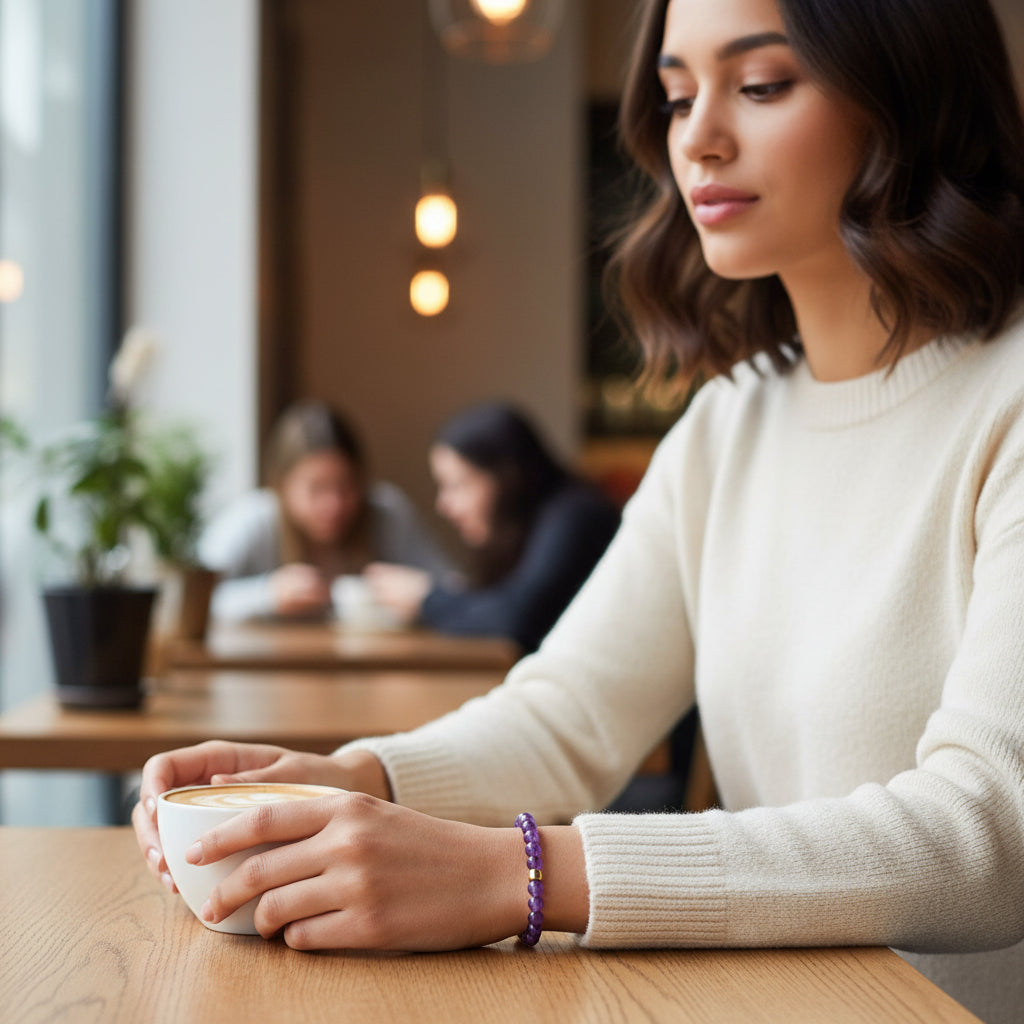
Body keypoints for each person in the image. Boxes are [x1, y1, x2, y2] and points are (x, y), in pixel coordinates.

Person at [132, 1, 1024, 1019]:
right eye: (678, 96)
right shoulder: (727, 425)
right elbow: (570, 714)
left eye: (762, 84)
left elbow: (988, 834)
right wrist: (356, 781)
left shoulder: (1006, 404)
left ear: (912, 94)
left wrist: (519, 875)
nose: (698, 136)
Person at [363, 402, 621, 654]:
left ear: (506, 478)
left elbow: (517, 620)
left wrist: (427, 599)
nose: (444, 505)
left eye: (457, 485)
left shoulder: (576, 516)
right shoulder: (534, 523)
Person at [198, 400, 453, 620]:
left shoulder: (387, 512)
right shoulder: (254, 520)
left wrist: (420, 594)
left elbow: (453, 589)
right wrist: (266, 594)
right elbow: (188, 602)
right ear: (282, 485)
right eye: (316, 489)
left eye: (346, 486)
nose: (334, 504)